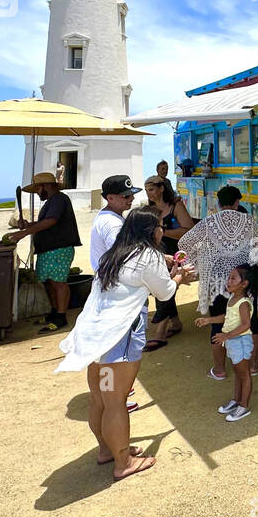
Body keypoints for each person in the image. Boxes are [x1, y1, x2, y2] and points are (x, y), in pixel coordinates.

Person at [57, 209, 194, 481]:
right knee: (116, 401)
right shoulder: (149, 255)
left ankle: (107, 449)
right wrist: (179, 276)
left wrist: (167, 269)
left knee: (100, 398)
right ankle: (123, 462)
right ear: (150, 231)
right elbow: (164, 292)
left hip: (95, 338)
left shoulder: (113, 255)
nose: (162, 230)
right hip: (118, 339)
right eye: (160, 226)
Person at [178, 185, 258, 381]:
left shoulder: (208, 223)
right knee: (251, 323)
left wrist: (200, 263)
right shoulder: (248, 220)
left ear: (218, 203)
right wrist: (253, 266)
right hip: (243, 282)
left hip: (218, 283)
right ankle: (253, 365)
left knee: (218, 323)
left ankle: (219, 369)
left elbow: (184, 243)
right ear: (237, 202)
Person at [92, 174, 142, 415]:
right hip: (118, 296)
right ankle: (114, 400)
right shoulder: (113, 224)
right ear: (110, 197)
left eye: (132, 195)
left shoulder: (109, 218)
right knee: (115, 356)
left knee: (106, 354)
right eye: (125, 196)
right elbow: (124, 258)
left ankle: (108, 397)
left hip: (108, 293)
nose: (130, 199)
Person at [6, 171, 81, 333]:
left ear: (46, 186)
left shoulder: (59, 199)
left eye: (38, 188)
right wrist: (28, 225)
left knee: (58, 283)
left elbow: (51, 221)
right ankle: (54, 312)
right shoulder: (51, 201)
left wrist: (23, 233)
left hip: (59, 248)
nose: (38, 192)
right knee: (48, 282)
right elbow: (45, 222)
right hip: (48, 249)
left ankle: (61, 317)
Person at [196, 263, 258, 422]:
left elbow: (246, 324)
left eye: (233, 278)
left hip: (240, 342)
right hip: (234, 342)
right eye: (229, 277)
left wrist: (226, 336)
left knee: (244, 374)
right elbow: (228, 317)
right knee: (238, 373)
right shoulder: (233, 299)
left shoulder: (243, 303)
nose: (228, 280)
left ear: (244, 284)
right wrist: (209, 320)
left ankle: (244, 405)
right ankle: (237, 400)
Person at [143, 175, 192, 350]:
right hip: (158, 254)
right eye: (146, 189)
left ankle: (160, 333)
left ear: (161, 188)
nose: (148, 193)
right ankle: (176, 322)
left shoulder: (175, 206)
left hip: (176, 254)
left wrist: (163, 231)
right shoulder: (148, 210)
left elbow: (188, 230)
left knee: (163, 289)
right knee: (161, 289)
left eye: (151, 189)